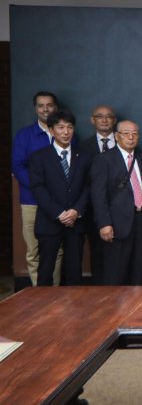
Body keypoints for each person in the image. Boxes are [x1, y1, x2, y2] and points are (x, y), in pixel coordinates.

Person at [90, 120, 142, 286]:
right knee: (116, 271)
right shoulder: (104, 159)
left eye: (135, 133)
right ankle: (114, 309)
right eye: (126, 133)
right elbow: (98, 195)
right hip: (116, 223)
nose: (131, 137)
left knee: (140, 269)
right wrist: (104, 223)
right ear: (116, 136)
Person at [28, 110, 91, 286]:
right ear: (51, 130)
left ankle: (74, 310)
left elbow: (88, 186)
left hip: (75, 222)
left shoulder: (84, 156)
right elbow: (38, 188)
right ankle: (43, 309)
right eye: (60, 127)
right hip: (49, 221)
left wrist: (76, 211)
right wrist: (59, 213)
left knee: (74, 270)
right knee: (46, 269)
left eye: (70, 127)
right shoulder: (39, 157)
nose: (66, 132)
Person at [12, 91, 62, 286]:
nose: (45, 109)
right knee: (33, 250)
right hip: (31, 201)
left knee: (57, 249)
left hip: (58, 203)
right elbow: (18, 166)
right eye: (41, 105)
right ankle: (37, 293)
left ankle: (55, 292)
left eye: (49, 105)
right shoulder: (25, 135)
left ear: (55, 107)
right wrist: (39, 189)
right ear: (36, 109)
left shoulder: (65, 132)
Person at [79, 104, 117, 284]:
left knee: (119, 253)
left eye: (108, 116)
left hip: (121, 210)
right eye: (99, 116)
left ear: (114, 120)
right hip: (92, 211)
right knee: (97, 252)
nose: (104, 119)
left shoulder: (125, 141)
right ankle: (99, 293)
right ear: (92, 120)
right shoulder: (82, 147)